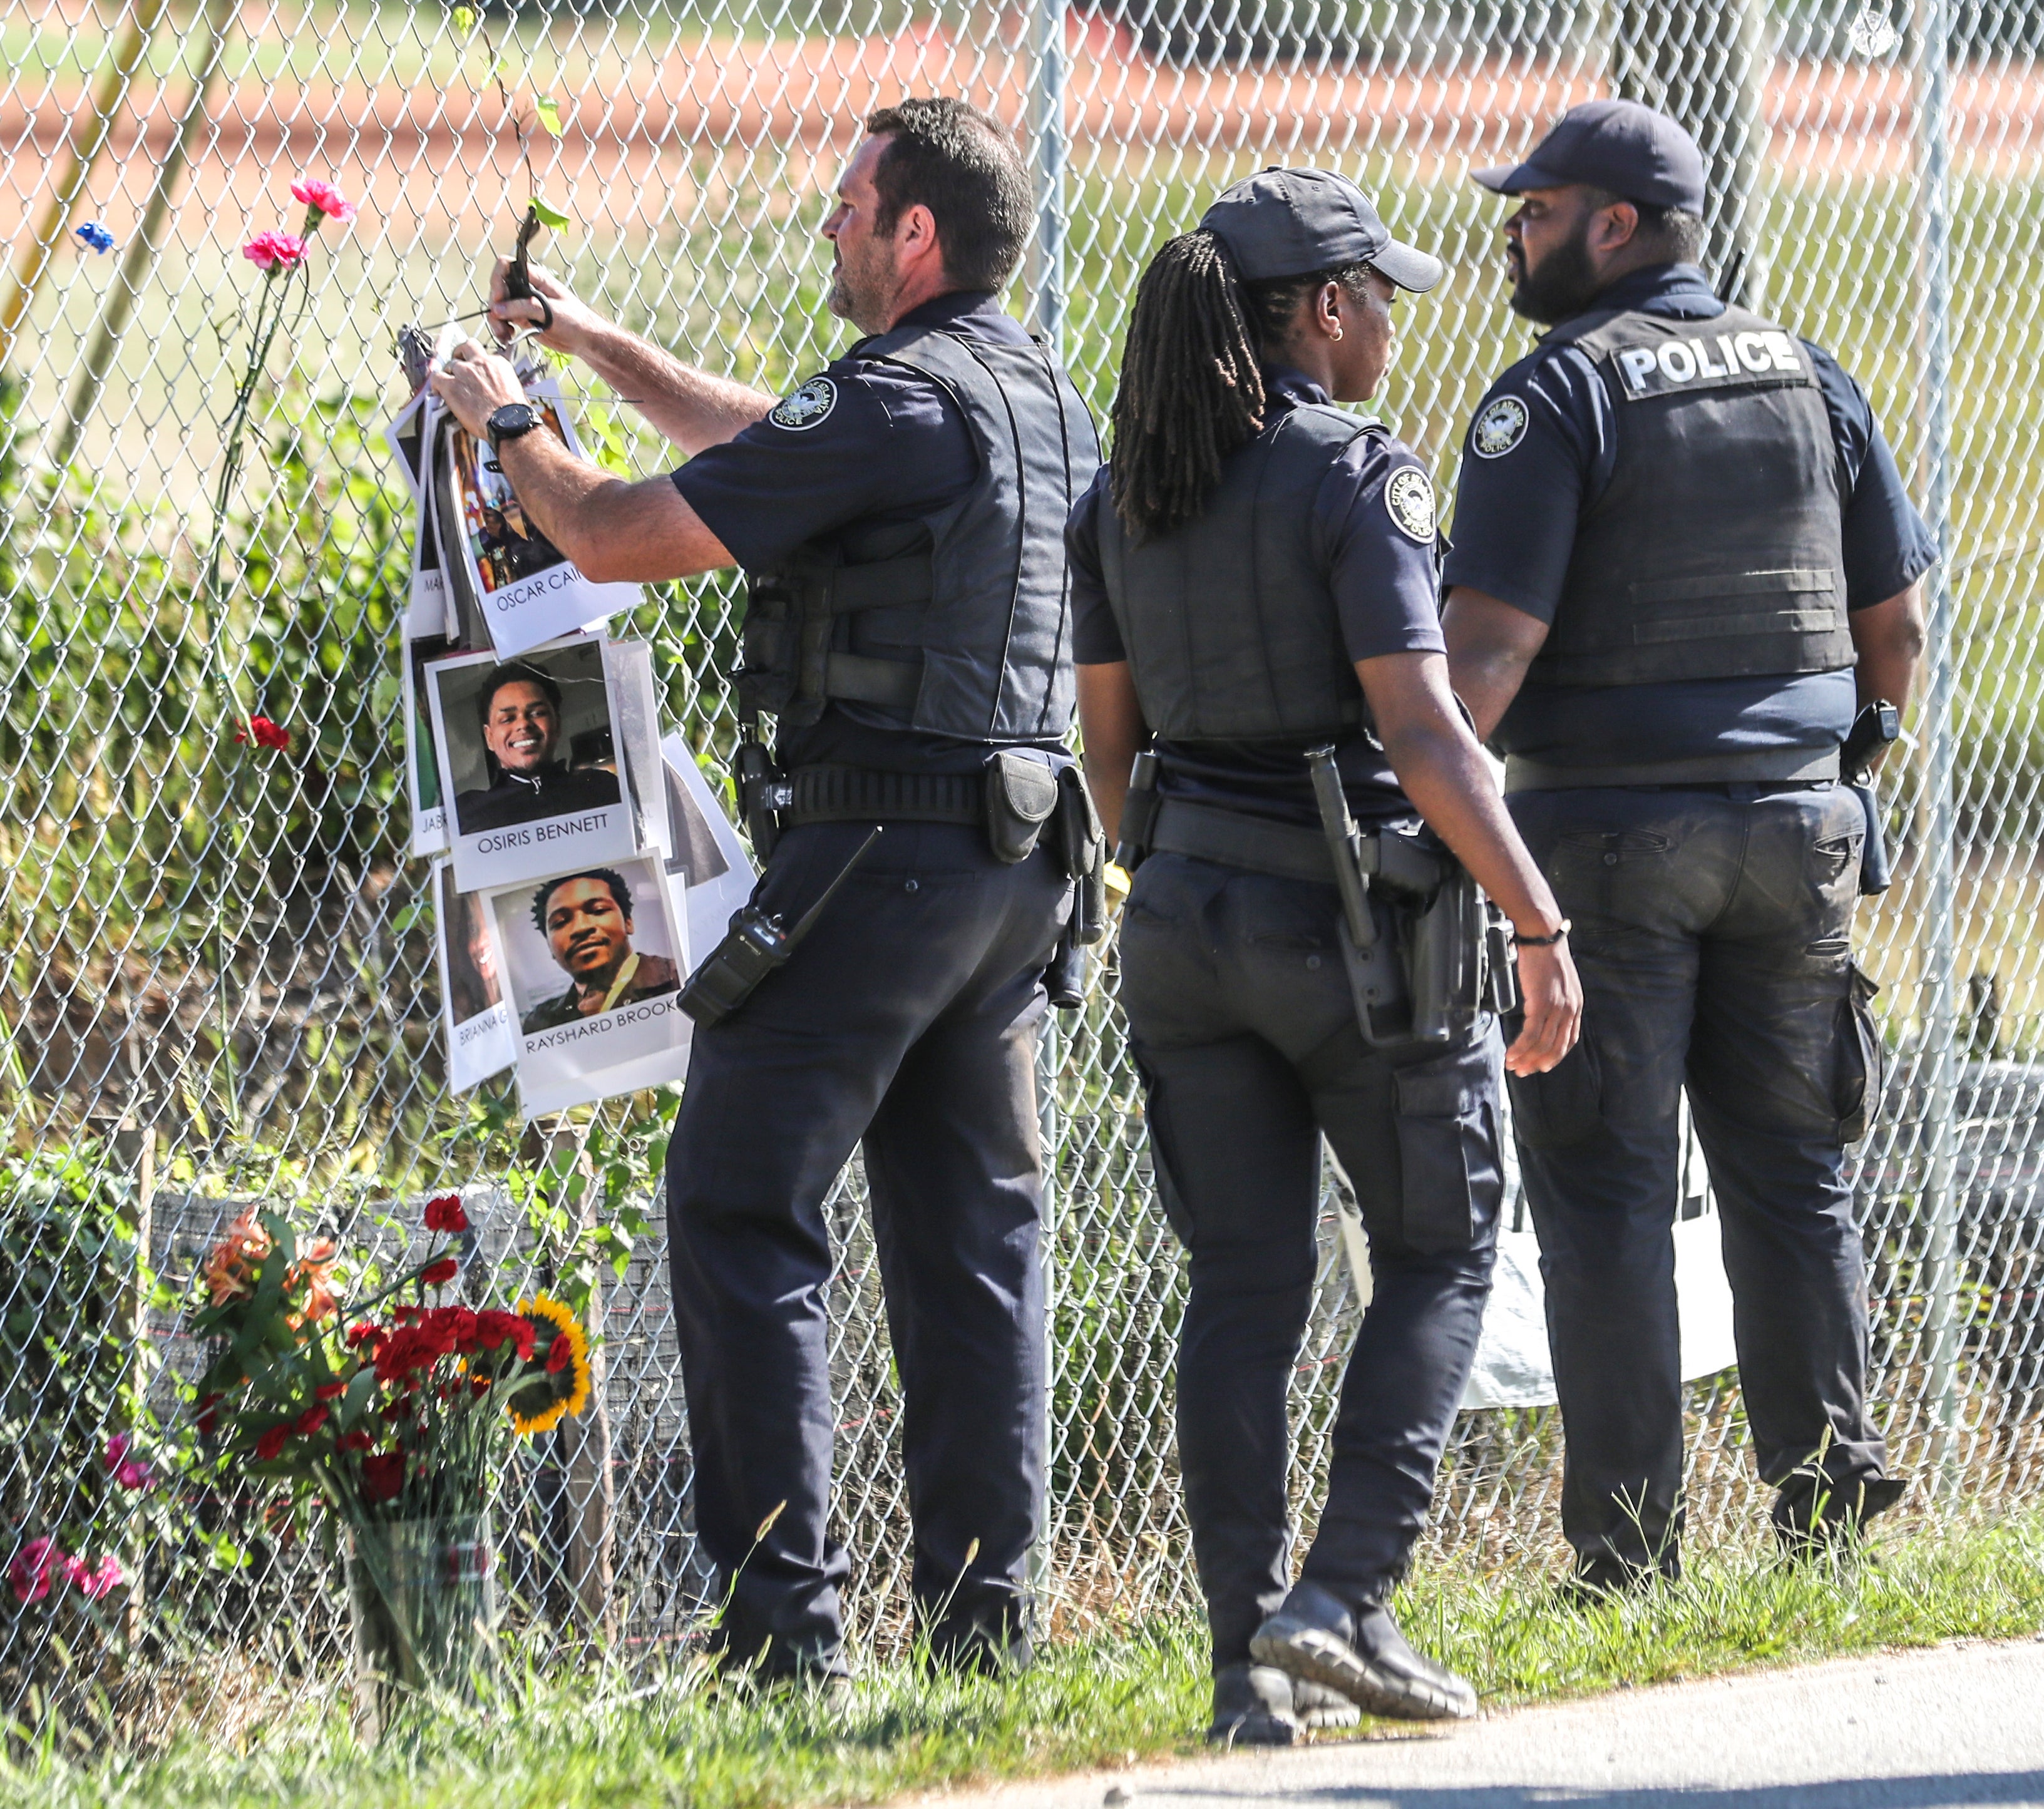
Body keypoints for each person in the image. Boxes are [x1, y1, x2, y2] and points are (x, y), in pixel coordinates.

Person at [431, 97, 1100, 1684]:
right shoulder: (1025, 389)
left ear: (912, 233)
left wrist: (504, 412)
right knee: (975, 1240)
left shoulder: (888, 401)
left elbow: (605, 529)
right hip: (1014, 873)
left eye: (850, 203)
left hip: (871, 859)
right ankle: (983, 1633)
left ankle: (786, 1643)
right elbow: (780, 441)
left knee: (740, 1202)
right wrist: (602, 350)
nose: (828, 224)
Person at [1071, 167, 1581, 1745]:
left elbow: (1108, 748)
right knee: (1440, 1242)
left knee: (1241, 1283)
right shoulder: (1352, 469)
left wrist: (1169, 867)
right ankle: (1344, 1592)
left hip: (1179, 920)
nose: (1386, 334)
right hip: (1349, 930)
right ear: (1323, 309)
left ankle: (1248, 1669)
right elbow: (1423, 730)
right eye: (1377, 301)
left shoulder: (1122, 493)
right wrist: (1535, 917)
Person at [1440, 100, 1932, 1593]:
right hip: (1799, 827)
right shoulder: (1808, 372)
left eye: (1538, 209)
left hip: (1602, 840)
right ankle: (1827, 1511)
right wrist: (1850, 767)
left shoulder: (1554, 396)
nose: (1513, 232)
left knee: (1602, 1186)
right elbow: (1894, 624)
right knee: (1792, 1170)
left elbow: (1482, 666)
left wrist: (1425, 806)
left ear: (1617, 225)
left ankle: (1629, 1551)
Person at [453, 662, 621, 833]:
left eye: (537, 713)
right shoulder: (466, 814)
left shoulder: (602, 787)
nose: (523, 725)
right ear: (489, 737)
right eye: (508, 719)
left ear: (557, 724)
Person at [520, 869, 680, 1033]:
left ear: (628, 922)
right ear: (550, 946)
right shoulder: (539, 1024)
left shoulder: (678, 979)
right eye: (560, 922)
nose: (581, 928)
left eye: (598, 910)